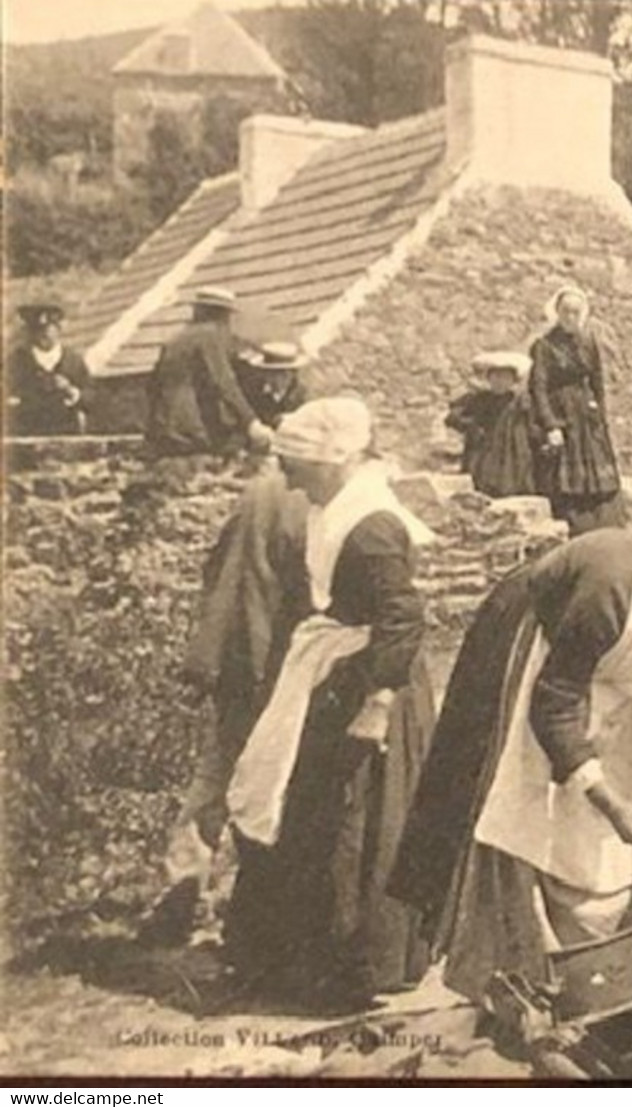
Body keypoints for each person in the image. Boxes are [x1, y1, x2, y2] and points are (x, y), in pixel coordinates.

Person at [388, 508, 632, 1008]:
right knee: (529, 813)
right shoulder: (612, 589)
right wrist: (605, 797)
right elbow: (553, 702)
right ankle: (524, 977)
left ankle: (631, 968)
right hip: (545, 650)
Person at [222, 397, 438, 1013]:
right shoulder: (333, 507)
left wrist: (376, 702)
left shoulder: (370, 526)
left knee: (360, 819)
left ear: (329, 462)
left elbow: (404, 619)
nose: (286, 476)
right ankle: (310, 951)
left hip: (376, 682)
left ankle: (362, 963)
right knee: (312, 808)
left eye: (294, 464)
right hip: (343, 666)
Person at [143, 462, 310, 945]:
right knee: (274, 781)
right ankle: (263, 903)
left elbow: (220, 574)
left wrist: (207, 657)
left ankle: (183, 885)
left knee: (217, 778)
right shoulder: (312, 498)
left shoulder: (259, 494)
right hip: (281, 664)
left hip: (241, 659)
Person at [528, 286, 625, 534]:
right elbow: (538, 387)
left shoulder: (588, 341)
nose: (570, 317)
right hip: (561, 411)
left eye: (575, 312)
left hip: (586, 412)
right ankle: (573, 523)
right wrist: (550, 425)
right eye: (565, 311)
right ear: (557, 313)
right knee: (564, 469)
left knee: (596, 466)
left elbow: (597, 380)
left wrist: (600, 416)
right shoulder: (545, 345)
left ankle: (602, 523)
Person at [146, 287, 272, 458]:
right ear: (222, 315)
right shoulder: (209, 336)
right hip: (193, 433)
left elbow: (152, 386)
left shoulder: (175, 340)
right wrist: (251, 422)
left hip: (163, 431)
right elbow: (223, 381)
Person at [445, 351, 536, 498]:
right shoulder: (478, 399)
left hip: (512, 454)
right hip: (483, 454)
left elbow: (532, 425)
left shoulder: (520, 402)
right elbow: (452, 418)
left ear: (513, 381)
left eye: (506, 378)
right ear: (489, 378)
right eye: (496, 377)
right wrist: (473, 426)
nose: (500, 382)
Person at [7, 303, 90, 437]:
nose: (44, 335)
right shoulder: (17, 361)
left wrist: (72, 391)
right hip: (27, 431)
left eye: (49, 329)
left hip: (66, 431)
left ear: (58, 329)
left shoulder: (73, 361)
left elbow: (91, 396)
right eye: (38, 330)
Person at [236, 341, 310, 431]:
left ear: (293, 373)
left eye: (284, 373)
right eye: (272, 373)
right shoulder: (254, 392)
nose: (277, 378)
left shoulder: (302, 395)